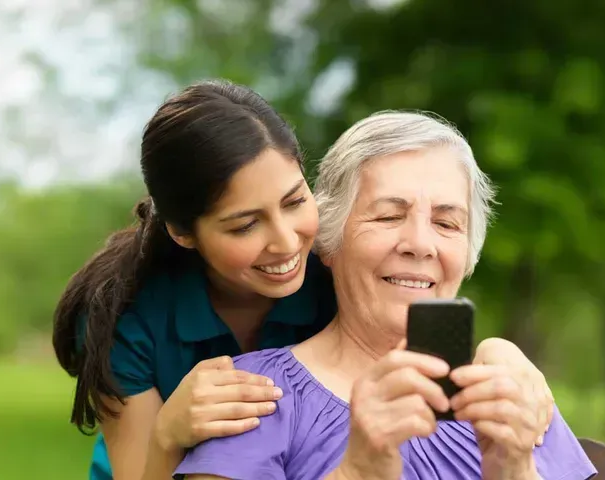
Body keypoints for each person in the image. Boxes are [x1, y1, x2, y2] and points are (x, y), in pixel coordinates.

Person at [52, 80, 553, 480]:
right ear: (185, 232)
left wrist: (499, 352)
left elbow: (416, 313)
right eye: (245, 224)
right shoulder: (127, 322)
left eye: (294, 202)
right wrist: (168, 433)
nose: (288, 242)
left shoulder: (328, 269)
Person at [174, 111, 596, 480]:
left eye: (447, 224)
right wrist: (357, 471)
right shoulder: (252, 396)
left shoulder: (514, 390)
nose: (420, 244)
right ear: (329, 240)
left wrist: (515, 472)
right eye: (389, 216)